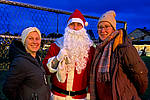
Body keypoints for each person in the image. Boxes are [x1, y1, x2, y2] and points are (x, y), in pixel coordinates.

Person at [90, 10, 148, 100]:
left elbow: (140, 74)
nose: (103, 30)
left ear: (113, 28)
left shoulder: (124, 48)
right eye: (100, 27)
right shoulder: (99, 49)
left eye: (106, 27)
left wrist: (132, 93)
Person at [42, 9, 95, 100]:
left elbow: (92, 74)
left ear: (83, 28)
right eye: (72, 24)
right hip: (58, 96)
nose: (75, 28)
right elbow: (45, 69)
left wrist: (90, 95)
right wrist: (57, 58)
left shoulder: (90, 49)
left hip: (80, 97)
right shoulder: (57, 45)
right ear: (67, 27)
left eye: (78, 25)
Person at [3, 27, 50, 100]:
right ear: (24, 41)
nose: (34, 42)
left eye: (37, 39)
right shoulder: (20, 62)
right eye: (30, 38)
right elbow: (8, 89)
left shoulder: (37, 59)